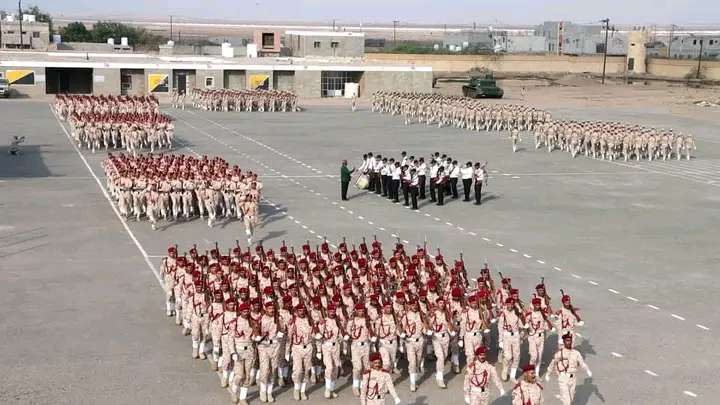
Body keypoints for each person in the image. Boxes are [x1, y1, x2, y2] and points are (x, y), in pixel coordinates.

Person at [545, 333, 592, 405]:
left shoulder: (576, 353)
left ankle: (564, 398)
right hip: (563, 377)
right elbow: (553, 363)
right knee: (567, 402)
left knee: (571, 399)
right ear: (564, 342)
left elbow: (582, 363)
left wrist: (587, 370)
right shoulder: (560, 353)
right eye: (567, 340)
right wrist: (548, 373)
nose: (569, 342)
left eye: (570, 340)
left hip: (573, 378)